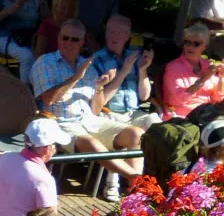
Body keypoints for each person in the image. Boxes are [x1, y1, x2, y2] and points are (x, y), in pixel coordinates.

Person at [27, 18, 146, 199]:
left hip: (91, 121)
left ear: (82, 42)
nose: (69, 43)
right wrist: (76, 77)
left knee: (136, 134)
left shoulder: (88, 66)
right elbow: (48, 99)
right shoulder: (44, 63)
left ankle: (132, 189)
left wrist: (99, 86)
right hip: (61, 124)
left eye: (75, 40)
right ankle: (137, 180)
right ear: (58, 38)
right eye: (65, 38)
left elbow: (96, 110)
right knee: (91, 143)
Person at [90, 14, 154, 121]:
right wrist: (124, 71)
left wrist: (143, 70)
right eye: (110, 31)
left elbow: (144, 96)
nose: (113, 36)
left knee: (156, 125)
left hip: (134, 113)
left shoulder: (134, 57)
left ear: (128, 36)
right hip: (109, 115)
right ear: (105, 34)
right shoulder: (96, 60)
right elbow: (100, 102)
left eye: (118, 32)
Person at [161, 23, 224, 118]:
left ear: (205, 47)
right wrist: (203, 79)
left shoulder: (207, 65)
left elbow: (218, 98)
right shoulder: (173, 67)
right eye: (187, 42)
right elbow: (178, 100)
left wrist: (221, 77)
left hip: (206, 114)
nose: (190, 46)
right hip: (182, 117)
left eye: (196, 44)